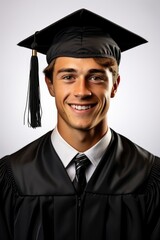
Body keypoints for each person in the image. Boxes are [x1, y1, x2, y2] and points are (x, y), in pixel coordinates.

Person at [0, 8, 160, 240]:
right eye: (68, 76)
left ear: (114, 85)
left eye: (96, 77)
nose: (82, 91)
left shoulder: (150, 177)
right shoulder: (12, 177)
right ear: (49, 85)